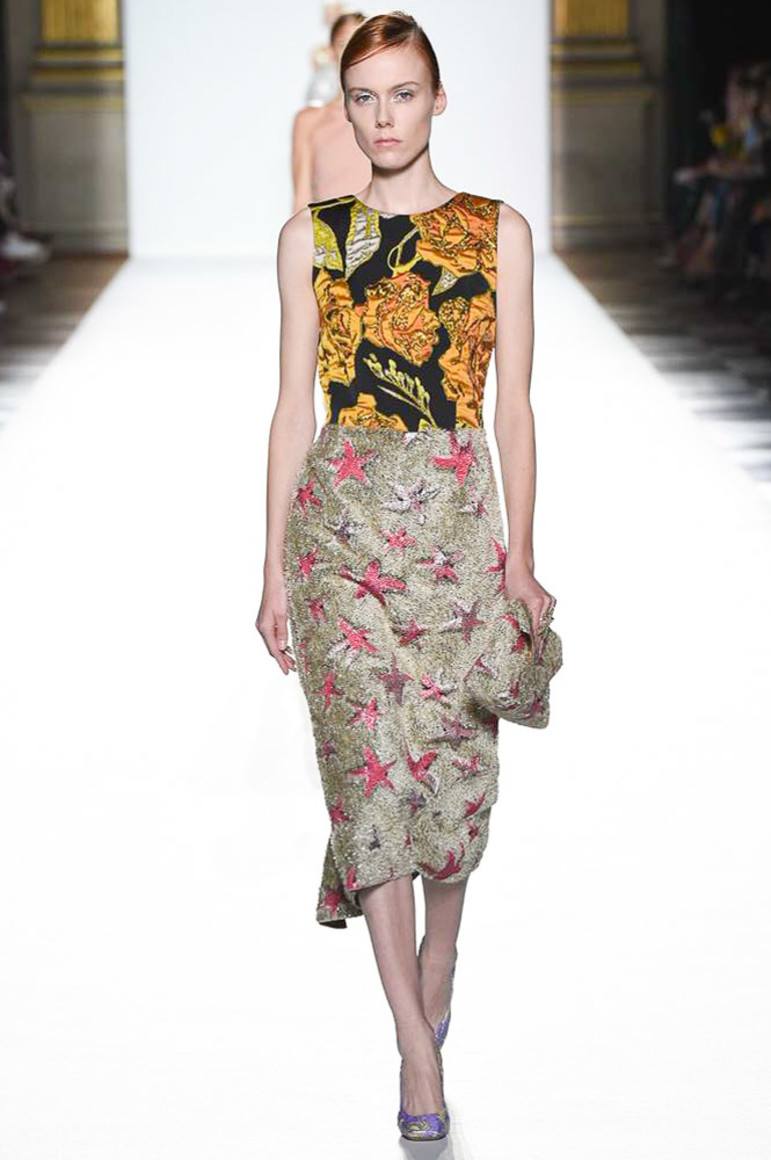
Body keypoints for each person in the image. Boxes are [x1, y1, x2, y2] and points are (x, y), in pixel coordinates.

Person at [257, 9, 555, 1142]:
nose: (383, 118)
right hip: (337, 532)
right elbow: (292, 408)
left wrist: (521, 556)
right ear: (344, 108)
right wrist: (273, 566)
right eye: (364, 97)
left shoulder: (496, 232)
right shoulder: (311, 240)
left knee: (452, 772)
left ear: (437, 100)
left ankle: (443, 950)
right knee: (369, 777)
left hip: (455, 527)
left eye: (403, 94)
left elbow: (513, 409)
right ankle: (415, 1048)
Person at [290, 10, 372, 211]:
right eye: (344, 43)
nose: (352, 51)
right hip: (328, 228)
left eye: (360, 43)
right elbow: (301, 201)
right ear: (331, 51)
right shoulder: (309, 122)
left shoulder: (388, 118)